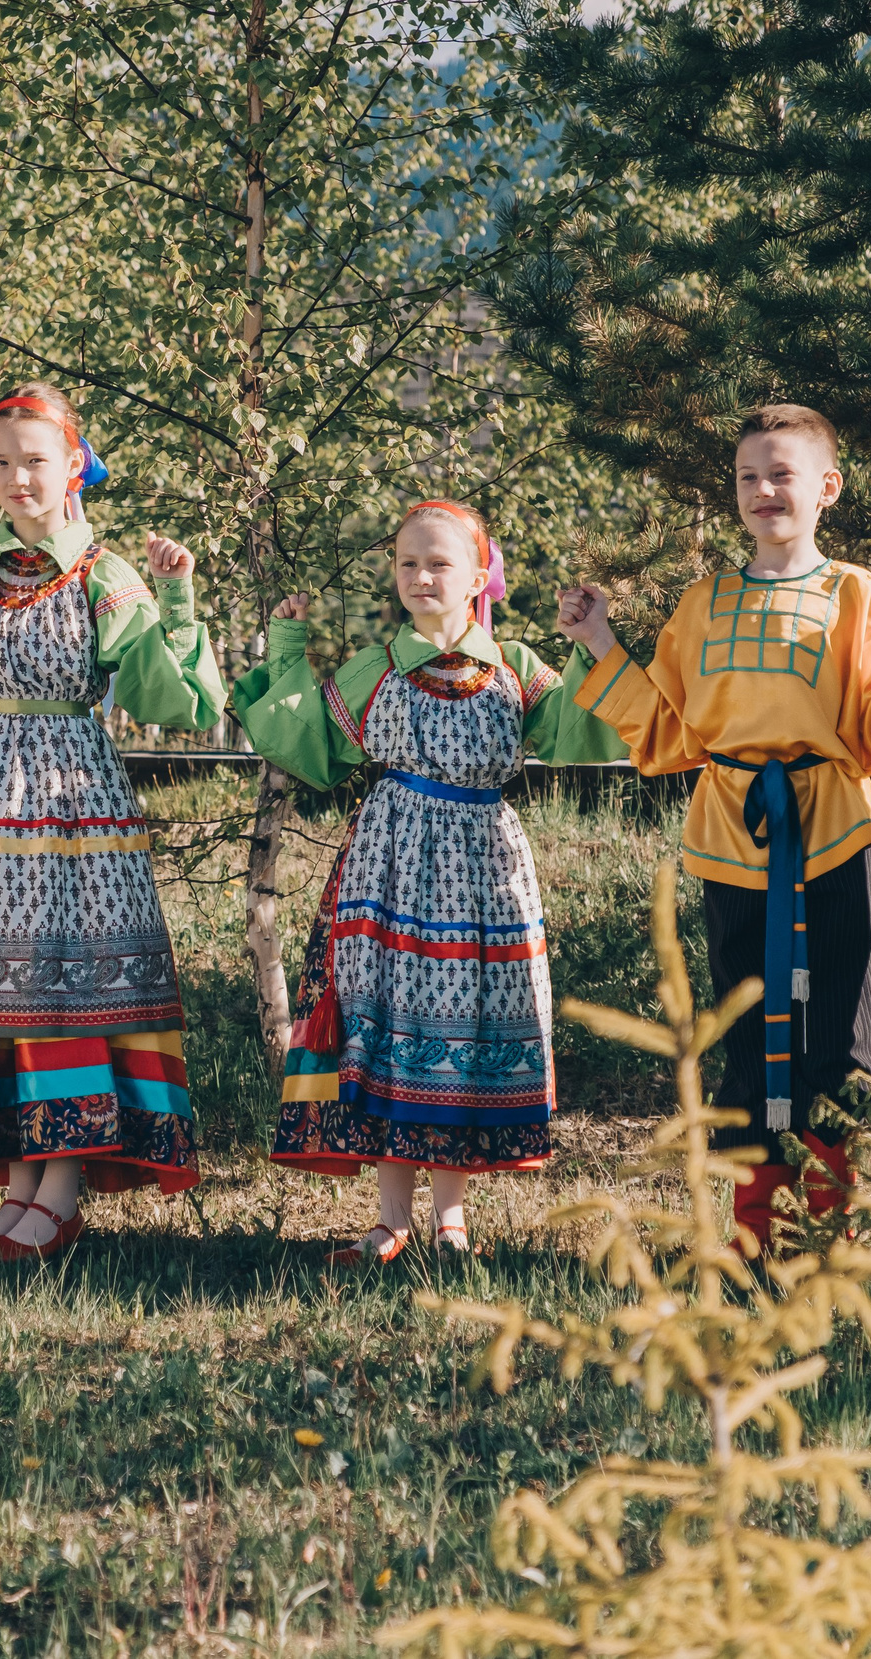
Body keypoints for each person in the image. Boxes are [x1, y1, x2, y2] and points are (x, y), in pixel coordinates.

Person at [559, 404, 871, 1252]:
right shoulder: (705, 603)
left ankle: (827, 1227)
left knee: (836, 1031)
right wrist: (598, 640)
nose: (764, 489)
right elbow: (671, 731)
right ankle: (752, 1230)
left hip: (828, 832)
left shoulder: (855, 593)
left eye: (782, 473)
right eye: (749, 476)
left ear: (828, 488)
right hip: (730, 838)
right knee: (743, 1027)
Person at [0, 382, 224, 1258]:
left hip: (70, 799)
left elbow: (163, 698)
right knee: (0, 982)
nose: (15, 477)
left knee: (61, 981)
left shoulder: (105, 573)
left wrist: (176, 604)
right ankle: (21, 1185)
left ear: (74, 464)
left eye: (33, 460)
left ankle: (60, 1190)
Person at [233, 501, 624, 1262]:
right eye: (408, 563)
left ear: (480, 576)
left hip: (484, 870)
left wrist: (588, 646)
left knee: (465, 1030)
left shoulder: (514, 666)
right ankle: (389, 1217)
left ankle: (451, 1219)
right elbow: (308, 740)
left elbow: (581, 732)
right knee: (389, 1025)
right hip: (391, 867)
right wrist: (288, 644)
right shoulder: (378, 666)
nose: (420, 576)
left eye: (438, 563)